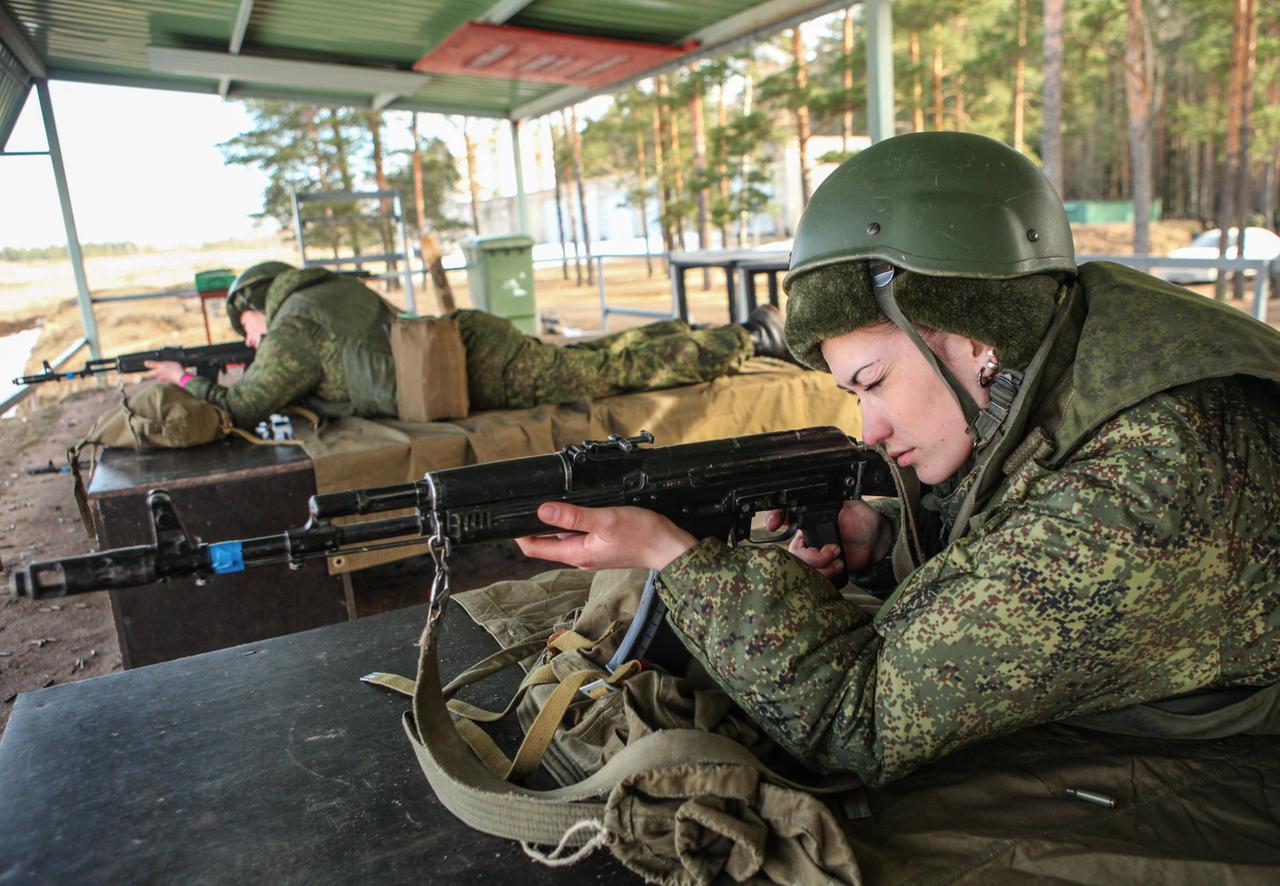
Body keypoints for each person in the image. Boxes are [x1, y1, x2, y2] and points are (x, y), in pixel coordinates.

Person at [516, 131, 1280, 785]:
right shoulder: (1076, 343)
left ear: (975, 334)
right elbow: (1023, 507)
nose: (871, 428)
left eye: (873, 381)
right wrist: (883, 540)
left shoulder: (1142, 482)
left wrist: (672, 556)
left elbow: (861, 723)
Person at [143, 262, 794, 429]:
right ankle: (717, 334)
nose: (251, 339)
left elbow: (248, 406)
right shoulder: (328, 293)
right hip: (466, 349)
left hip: (474, 365)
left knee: (607, 373)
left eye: (246, 327)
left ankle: (752, 337)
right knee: (597, 358)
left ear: (256, 304)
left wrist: (184, 380)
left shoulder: (292, 323)